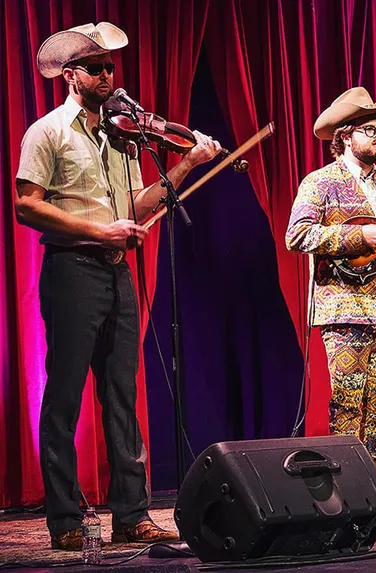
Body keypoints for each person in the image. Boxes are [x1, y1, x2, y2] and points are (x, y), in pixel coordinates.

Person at [15, 22, 221, 550]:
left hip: (117, 272)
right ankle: (64, 519)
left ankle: (131, 513)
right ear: (70, 75)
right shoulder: (47, 131)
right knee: (62, 398)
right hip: (71, 269)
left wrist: (188, 163)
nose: (109, 76)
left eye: (111, 67)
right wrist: (96, 229)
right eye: (97, 68)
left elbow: (137, 207)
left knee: (121, 397)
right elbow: (25, 204)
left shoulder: (122, 136)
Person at [285, 87, 376, 497]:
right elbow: (297, 236)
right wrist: (356, 235)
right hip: (345, 309)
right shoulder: (321, 182)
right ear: (345, 136)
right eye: (370, 129)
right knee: (348, 403)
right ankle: (346, 490)